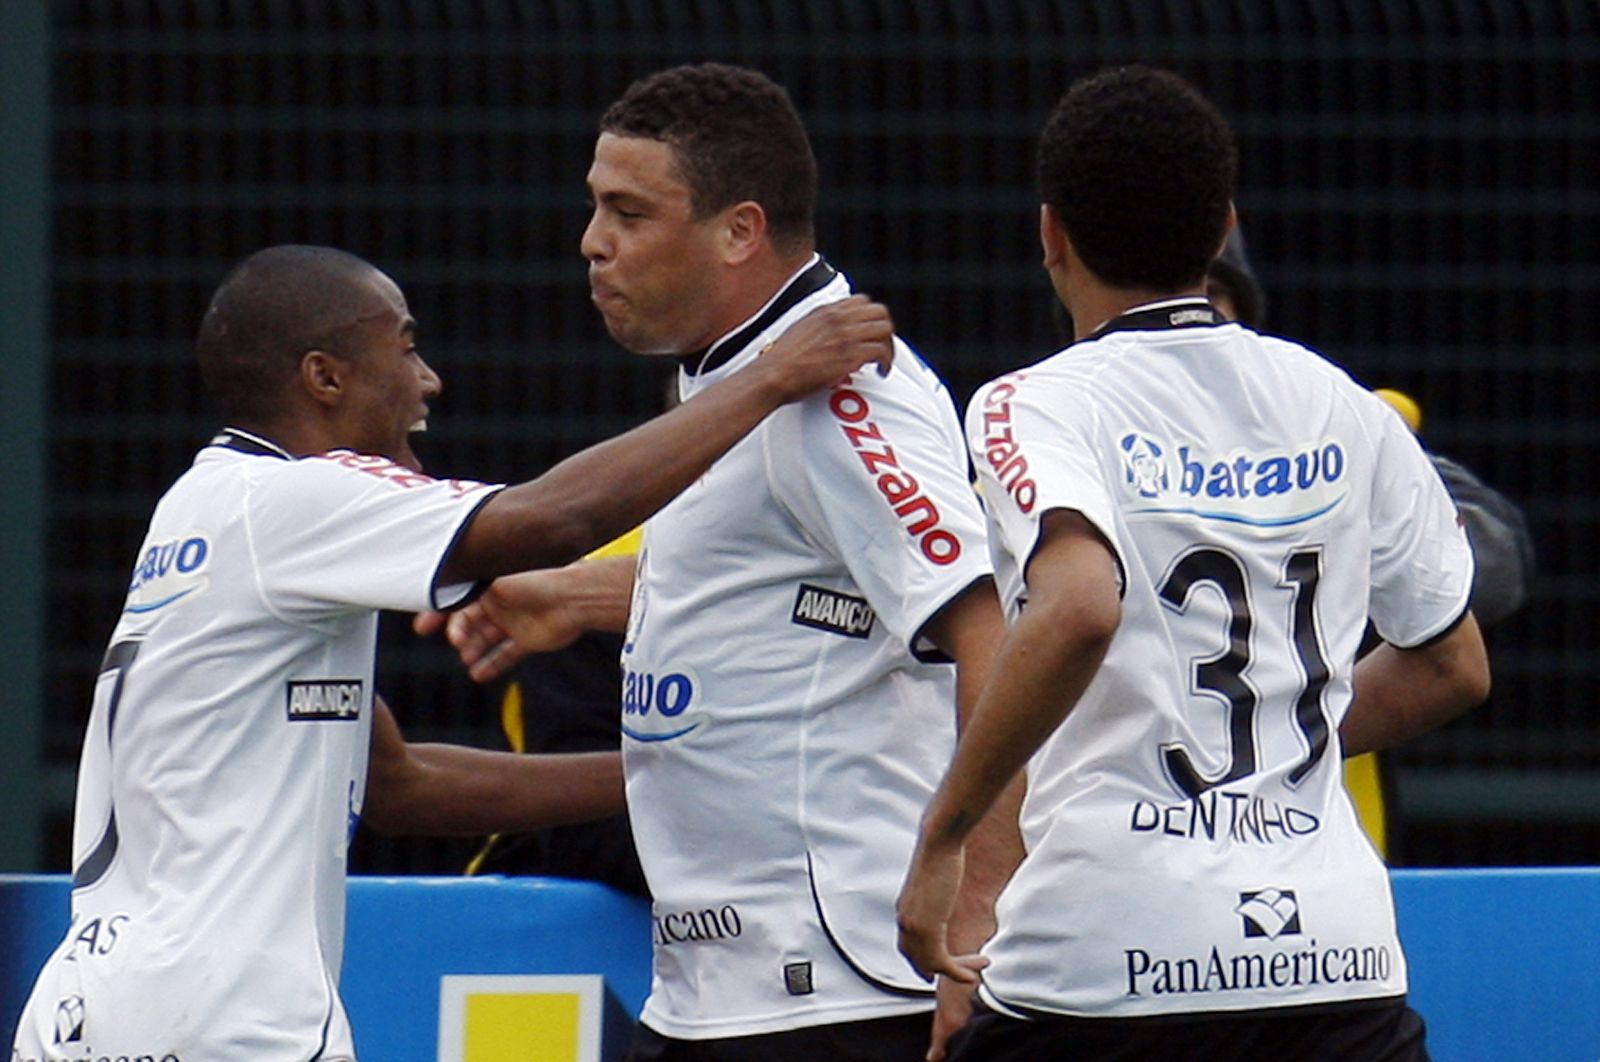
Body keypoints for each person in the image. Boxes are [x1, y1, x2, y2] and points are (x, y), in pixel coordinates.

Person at [10, 244, 892, 1061]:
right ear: (324, 377)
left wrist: (670, 767)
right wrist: (772, 376)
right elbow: (553, 520)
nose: (428, 381)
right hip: (225, 1020)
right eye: (405, 348)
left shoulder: (201, 511)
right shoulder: (290, 498)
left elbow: (403, 786)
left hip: (88, 1005)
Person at [895, 66, 1490, 1060]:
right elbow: (1451, 664)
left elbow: (1079, 609)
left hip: (1110, 970)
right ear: (1224, 224)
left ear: (1050, 234)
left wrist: (943, 837)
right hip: (1333, 966)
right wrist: (1259, 748)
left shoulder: (1030, 404)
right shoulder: (1338, 400)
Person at [425, 63, 1014, 1061]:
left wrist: (979, 908)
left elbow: (989, 631)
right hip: (724, 990)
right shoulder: (736, 374)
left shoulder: (835, 393)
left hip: (834, 993)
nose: (592, 243)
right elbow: (781, 580)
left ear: (739, 230)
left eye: (628, 213)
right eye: (594, 208)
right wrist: (573, 598)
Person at [1206, 228, 1535, 858]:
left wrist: (1348, 527)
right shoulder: (1047, 449)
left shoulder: (1328, 432)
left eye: (1214, 295)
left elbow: (1498, 560)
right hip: (1127, 859)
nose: (1190, 319)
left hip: (1325, 861)